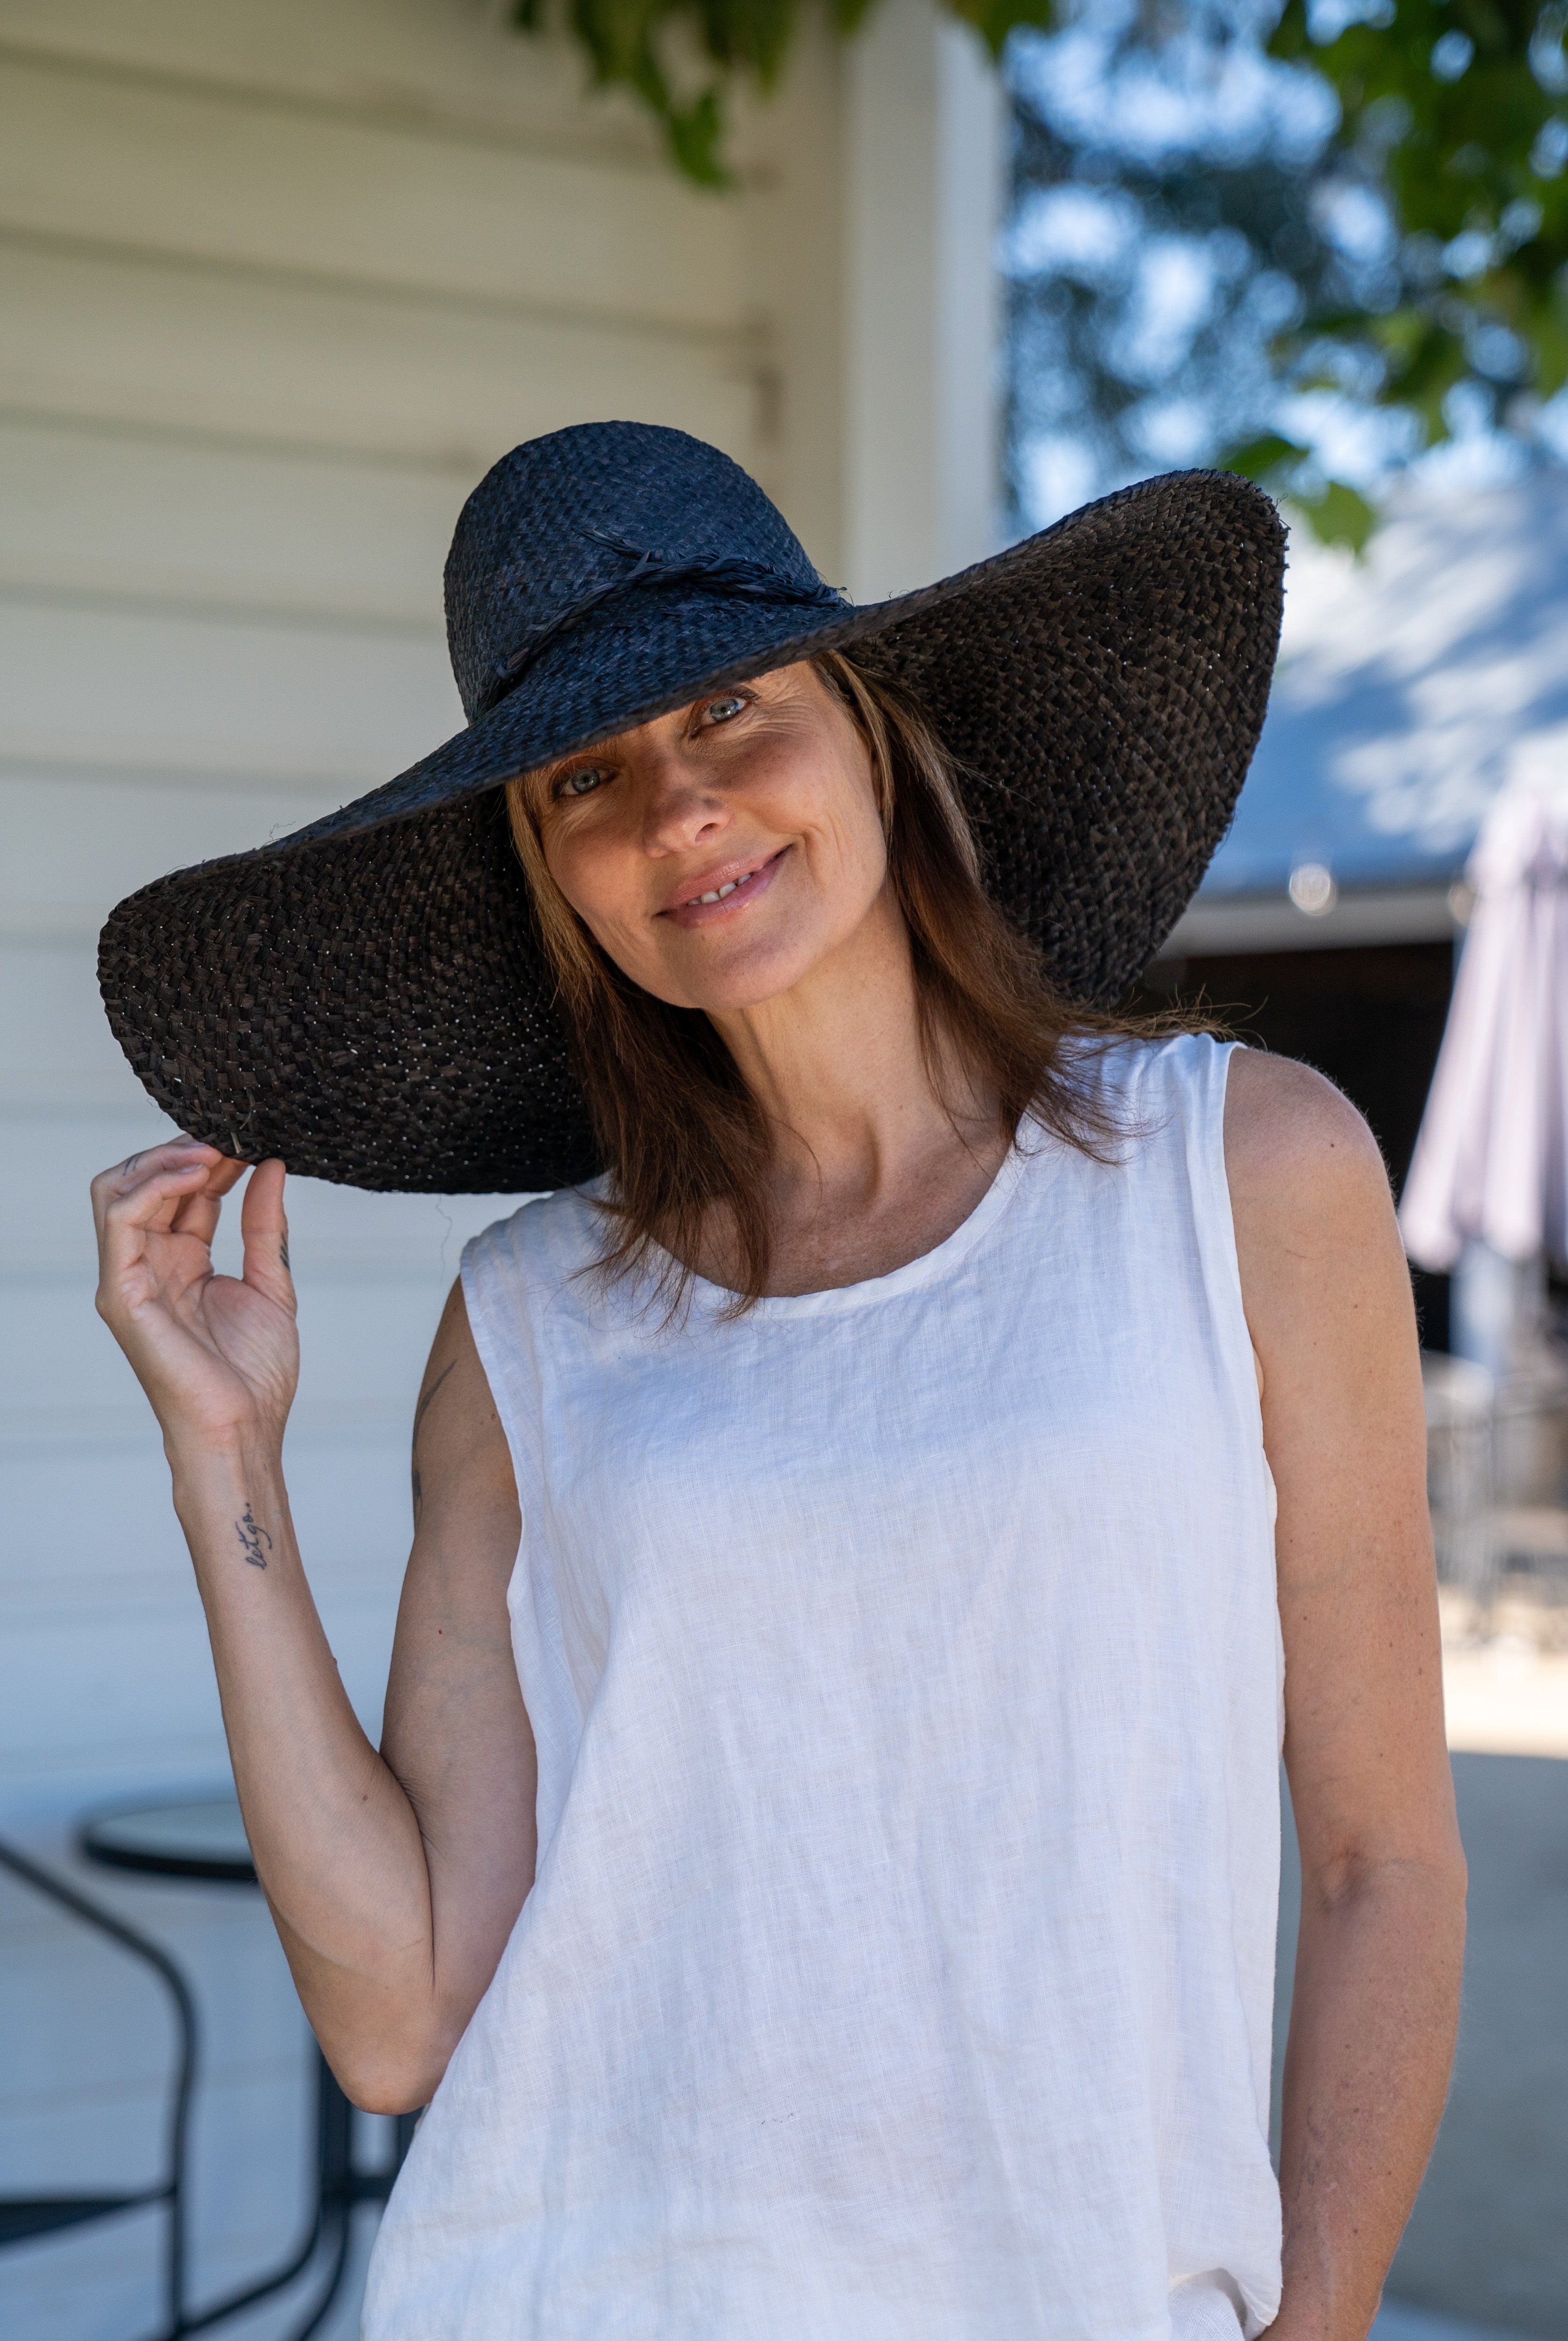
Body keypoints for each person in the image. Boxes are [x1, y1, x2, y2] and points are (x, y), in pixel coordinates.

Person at [92, 425, 1464, 2341]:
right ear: (553, 876)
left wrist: (1314, 2321)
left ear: (875, 727)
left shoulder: (1243, 1179)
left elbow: (1381, 1860)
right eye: (588, 773)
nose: (679, 810)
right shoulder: (529, 1326)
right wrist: (215, 1448)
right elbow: (400, 2023)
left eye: (729, 706)